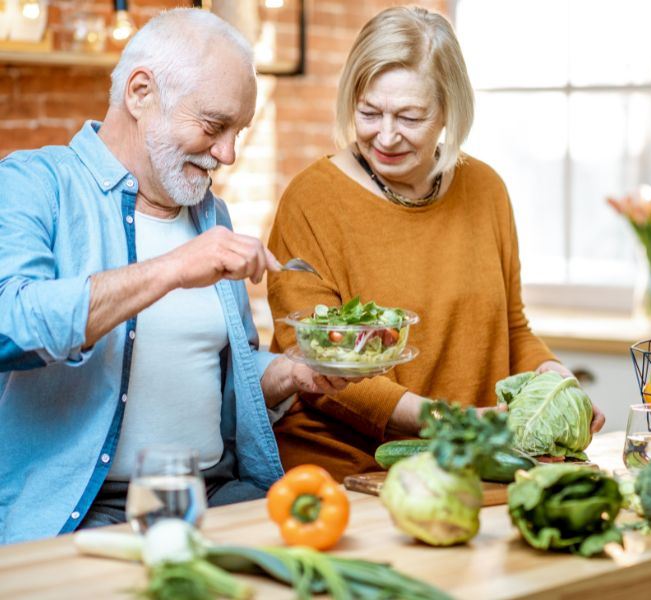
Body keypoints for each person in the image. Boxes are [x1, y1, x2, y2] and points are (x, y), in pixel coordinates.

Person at [0, 9, 351, 545]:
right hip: (90, 511)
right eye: (214, 126)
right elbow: (9, 325)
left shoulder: (212, 217)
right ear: (141, 93)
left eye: (238, 132)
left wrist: (292, 373)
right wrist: (171, 270)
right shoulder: (33, 184)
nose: (227, 154)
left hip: (219, 494)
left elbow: (209, 375)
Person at [266, 6, 606, 481]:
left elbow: (512, 327)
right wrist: (449, 421)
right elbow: (315, 362)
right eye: (369, 112)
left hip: (468, 463)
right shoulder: (311, 200)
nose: (385, 135)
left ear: (449, 110)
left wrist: (556, 381)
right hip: (347, 472)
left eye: (410, 116)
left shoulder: (486, 189)